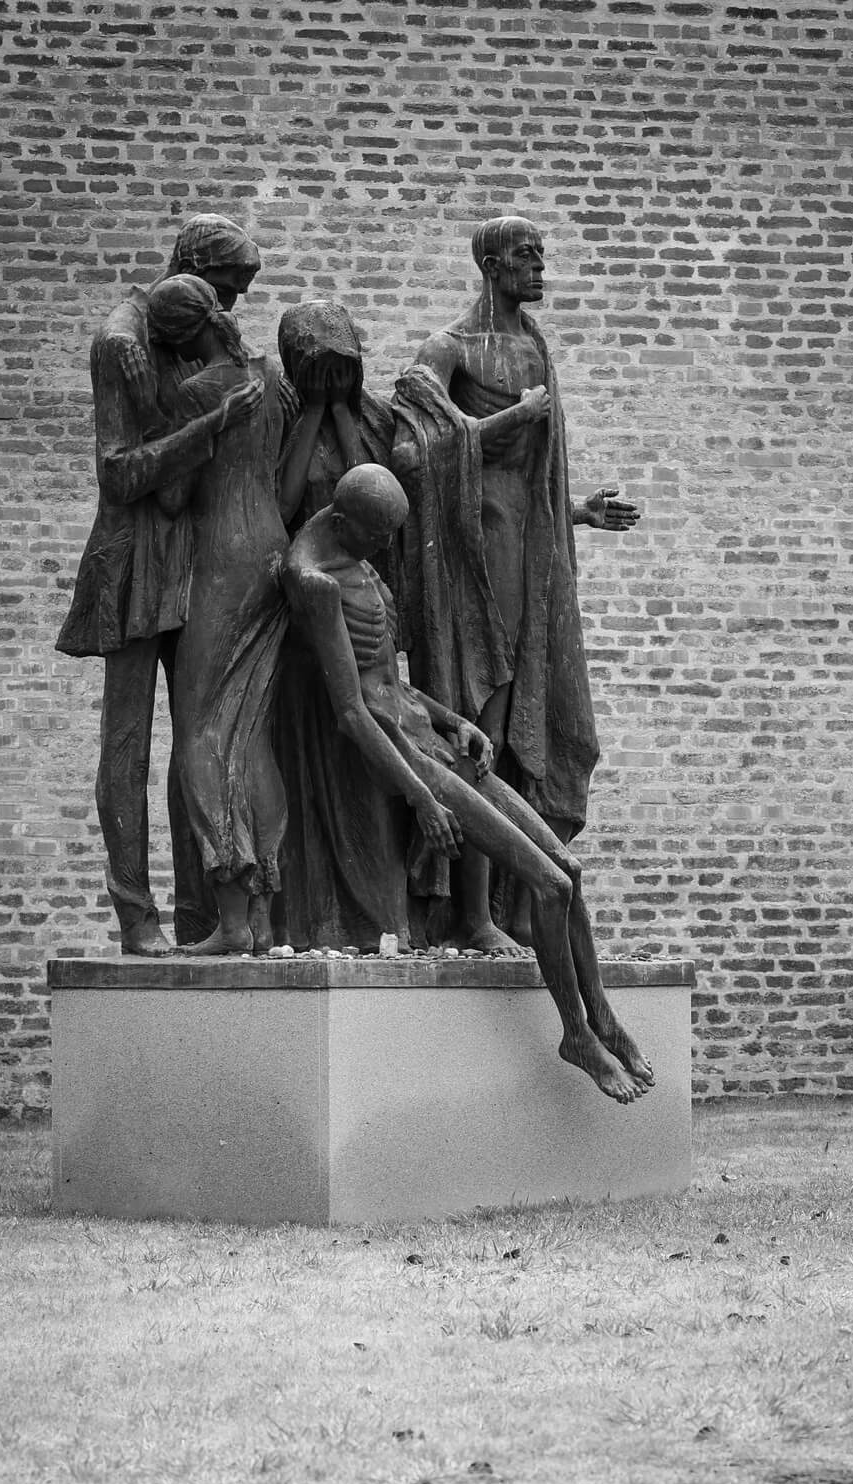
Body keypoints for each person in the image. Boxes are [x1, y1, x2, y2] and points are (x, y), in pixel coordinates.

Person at [282, 465, 654, 1103]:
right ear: (347, 523)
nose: (387, 548)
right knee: (548, 884)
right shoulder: (314, 582)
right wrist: (421, 797)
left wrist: (456, 721)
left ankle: (604, 1015)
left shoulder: (357, 548)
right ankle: (576, 1035)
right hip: (409, 759)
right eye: (378, 536)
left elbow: (392, 681)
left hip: (432, 735)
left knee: (570, 870)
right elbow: (351, 711)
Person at [392, 214, 639, 942]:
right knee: (478, 725)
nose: (540, 269)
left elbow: (525, 491)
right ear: (493, 266)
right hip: (468, 567)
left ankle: (501, 906)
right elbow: (413, 452)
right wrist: (509, 423)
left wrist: (580, 513)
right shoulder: (448, 349)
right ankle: (467, 915)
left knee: (517, 726)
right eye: (527, 258)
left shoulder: (535, 347)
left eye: (542, 256)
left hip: (527, 559)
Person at [56, 214, 270, 953]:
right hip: (134, 557)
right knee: (127, 741)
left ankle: (204, 915)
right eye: (224, 290)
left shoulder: (192, 337)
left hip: (196, 555)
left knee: (203, 733)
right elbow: (118, 472)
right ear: (188, 267)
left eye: (237, 297)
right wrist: (206, 430)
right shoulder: (124, 343)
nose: (229, 311)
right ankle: (136, 917)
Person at [271, 303, 437, 951]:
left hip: (367, 607)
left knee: (372, 787)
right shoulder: (288, 420)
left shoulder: (373, 422)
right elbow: (286, 505)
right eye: (318, 369)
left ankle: (381, 922)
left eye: (342, 369)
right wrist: (313, 411)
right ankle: (318, 923)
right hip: (309, 629)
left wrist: (342, 410)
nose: (332, 379)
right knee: (316, 780)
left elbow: (375, 484)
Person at [144, 275, 289, 956]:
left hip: (221, 560)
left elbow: (171, 498)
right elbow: (284, 478)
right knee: (250, 730)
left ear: (176, 338)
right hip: (272, 553)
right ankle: (260, 919)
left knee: (202, 732)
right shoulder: (274, 378)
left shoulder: (197, 394)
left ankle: (230, 921)